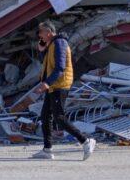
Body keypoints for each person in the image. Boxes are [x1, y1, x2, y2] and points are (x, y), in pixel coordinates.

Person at [31, 21, 96, 160]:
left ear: (48, 32)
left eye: (41, 32)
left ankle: (86, 141)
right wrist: (42, 50)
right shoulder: (52, 44)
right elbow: (47, 64)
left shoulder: (59, 43)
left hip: (59, 85)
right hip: (53, 86)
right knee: (45, 116)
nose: (39, 35)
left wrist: (46, 83)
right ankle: (47, 150)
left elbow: (60, 68)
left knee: (59, 118)